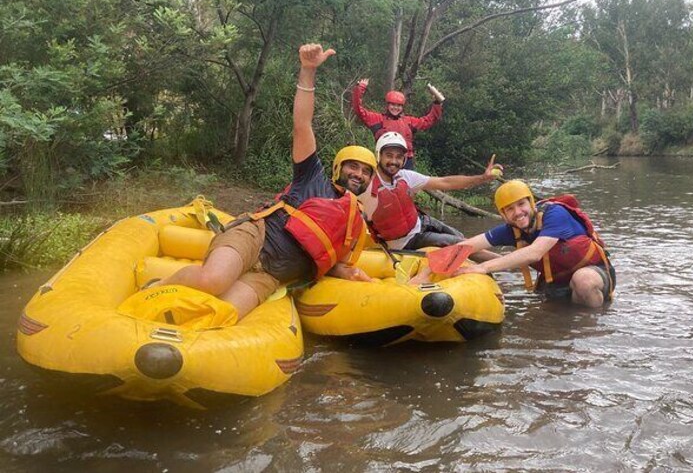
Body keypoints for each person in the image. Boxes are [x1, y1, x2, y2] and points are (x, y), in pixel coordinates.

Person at [156, 43, 376, 319]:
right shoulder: (312, 175)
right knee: (213, 281)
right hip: (256, 237)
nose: (359, 174)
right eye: (353, 166)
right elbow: (302, 125)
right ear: (337, 168)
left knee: (224, 314)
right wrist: (308, 71)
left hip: (273, 274)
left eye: (366, 171)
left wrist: (350, 272)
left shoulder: (356, 225)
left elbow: (331, 262)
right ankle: (158, 287)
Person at [447, 180, 615, 307]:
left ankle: (594, 325)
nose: (518, 213)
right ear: (503, 214)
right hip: (556, 283)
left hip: (595, 273)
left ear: (531, 203)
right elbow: (467, 246)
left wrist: (483, 268)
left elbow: (535, 253)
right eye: (510, 209)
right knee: (472, 251)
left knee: (583, 281)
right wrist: (429, 269)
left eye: (521, 204)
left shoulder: (556, 214)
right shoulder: (510, 230)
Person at [358, 131, 500, 253]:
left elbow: (446, 182)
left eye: (399, 157)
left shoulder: (405, 176)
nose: (394, 161)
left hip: (422, 222)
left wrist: (482, 178)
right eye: (389, 155)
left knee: (461, 236)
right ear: (379, 156)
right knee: (465, 246)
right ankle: (506, 263)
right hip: (408, 242)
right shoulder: (365, 186)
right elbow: (343, 196)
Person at [350, 78, 444, 170]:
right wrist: (360, 89)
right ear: (387, 105)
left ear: (402, 107)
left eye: (399, 105)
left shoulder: (409, 121)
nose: (396, 108)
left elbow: (429, 121)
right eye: (393, 105)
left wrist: (436, 103)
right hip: (384, 161)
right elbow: (359, 110)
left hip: (406, 162)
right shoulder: (377, 119)